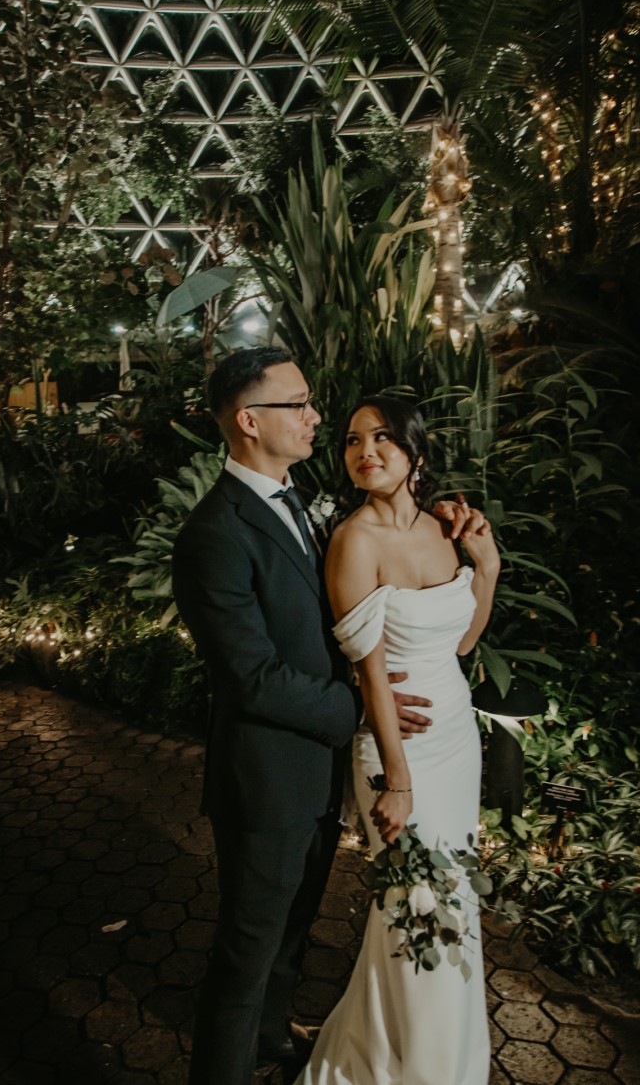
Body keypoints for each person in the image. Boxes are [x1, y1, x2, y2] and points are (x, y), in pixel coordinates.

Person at [172, 349, 485, 1085]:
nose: (317, 418)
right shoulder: (214, 533)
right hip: (267, 776)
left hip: (320, 769)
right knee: (245, 951)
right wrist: (364, 711)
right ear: (250, 421)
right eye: (300, 405)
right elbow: (250, 678)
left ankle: (275, 1037)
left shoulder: (296, 499)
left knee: (292, 931)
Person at [295, 395, 501, 1085]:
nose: (365, 451)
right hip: (396, 750)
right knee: (418, 905)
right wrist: (399, 776)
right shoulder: (354, 542)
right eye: (353, 440)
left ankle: (431, 1056)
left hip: (455, 736)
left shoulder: (448, 526)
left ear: (415, 448)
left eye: (383, 437)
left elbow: (463, 642)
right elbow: (372, 673)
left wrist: (488, 567)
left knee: (453, 904)